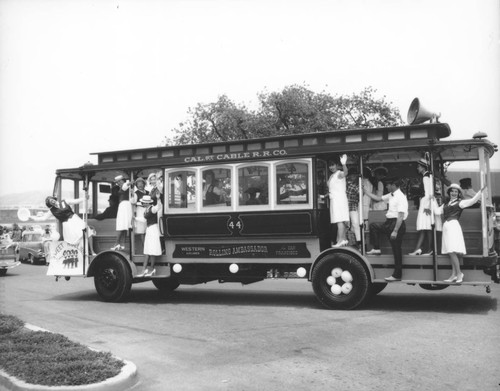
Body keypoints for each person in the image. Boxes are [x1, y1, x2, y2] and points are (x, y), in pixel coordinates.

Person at [433, 183, 485, 283]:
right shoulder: (446, 204)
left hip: (454, 227)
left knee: (452, 251)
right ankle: (453, 275)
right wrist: (431, 199)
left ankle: (459, 273)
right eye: (452, 191)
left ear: (458, 194)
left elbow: (472, 201)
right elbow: (437, 212)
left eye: (456, 191)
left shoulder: (460, 203)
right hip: (447, 228)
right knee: (450, 251)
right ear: (449, 192)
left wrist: (480, 192)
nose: (453, 193)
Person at [364, 176, 408, 281]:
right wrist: (365, 191)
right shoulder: (391, 194)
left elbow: (401, 216)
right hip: (389, 223)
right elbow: (378, 199)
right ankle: (376, 248)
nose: (386, 186)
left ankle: (397, 275)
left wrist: (395, 231)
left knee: (396, 250)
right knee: (373, 226)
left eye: (388, 185)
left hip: (397, 224)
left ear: (393, 185)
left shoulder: (400, 197)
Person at [30, 196, 95, 254]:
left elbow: (75, 201)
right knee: (72, 241)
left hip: (75, 219)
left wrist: (84, 198)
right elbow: (43, 218)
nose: (52, 201)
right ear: (50, 204)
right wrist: (33, 218)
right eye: (50, 202)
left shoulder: (64, 201)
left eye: (51, 199)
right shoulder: (51, 211)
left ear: (53, 199)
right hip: (67, 225)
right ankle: (80, 254)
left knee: (87, 231)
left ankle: (92, 251)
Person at [409, 158, 434, 255]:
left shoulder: (425, 177)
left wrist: (427, 209)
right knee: (425, 227)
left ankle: (430, 250)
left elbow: (428, 194)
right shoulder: (427, 176)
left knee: (427, 227)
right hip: (427, 204)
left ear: (423, 167)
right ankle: (419, 249)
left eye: (419, 166)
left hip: (426, 205)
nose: (417, 168)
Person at [327, 154, 349, 247]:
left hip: (339, 199)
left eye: (333, 165)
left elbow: (346, 173)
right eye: (330, 165)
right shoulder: (332, 175)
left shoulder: (339, 173)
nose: (331, 167)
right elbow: (332, 189)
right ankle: (343, 239)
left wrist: (344, 164)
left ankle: (340, 240)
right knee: (340, 220)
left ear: (337, 165)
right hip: (334, 199)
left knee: (340, 220)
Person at [138, 195, 162, 277]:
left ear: (146, 203)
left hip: (153, 229)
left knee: (152, 249)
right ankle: (145, 270)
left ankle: (151, 269)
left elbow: (159, 206)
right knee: (148, 249)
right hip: (149, 229)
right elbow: (144, 220)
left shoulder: (152, 208)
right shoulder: (146, 210)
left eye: (143, 202)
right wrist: (135, 218)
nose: (142, 203)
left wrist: (158, 198)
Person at [111, 175, 133, 251]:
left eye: (118, 182)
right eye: (117, 182)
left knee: (121, 225)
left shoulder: (124, 185)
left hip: (125, 205)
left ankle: (117, 243)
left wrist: (130, 182)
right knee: (123, 226)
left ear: (122, 181)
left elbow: (126, 185)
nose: (118, 183)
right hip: (124, 206)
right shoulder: (123, 185)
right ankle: (122, 244)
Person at [345, 169, 361, 249]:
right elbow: (360, 195)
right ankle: (357, 241)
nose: (353, 177)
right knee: (353, 224)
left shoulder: (353, 185)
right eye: (352, 175)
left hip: (350, 206)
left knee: (354, 224)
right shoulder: (353, 185)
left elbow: (360, 195)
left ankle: (357, 241)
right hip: (350, 206)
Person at [131, 177, 149, 244]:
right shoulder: (135, 193)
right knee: (141, 230)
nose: (140, 185)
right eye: (138, 184)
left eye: (141, 183)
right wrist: (132, 194)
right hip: (140, 211)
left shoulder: (148, 192)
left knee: (148, 229)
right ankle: (144, 247)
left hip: (147, 210)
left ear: (144, 184)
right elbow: (133, 202)